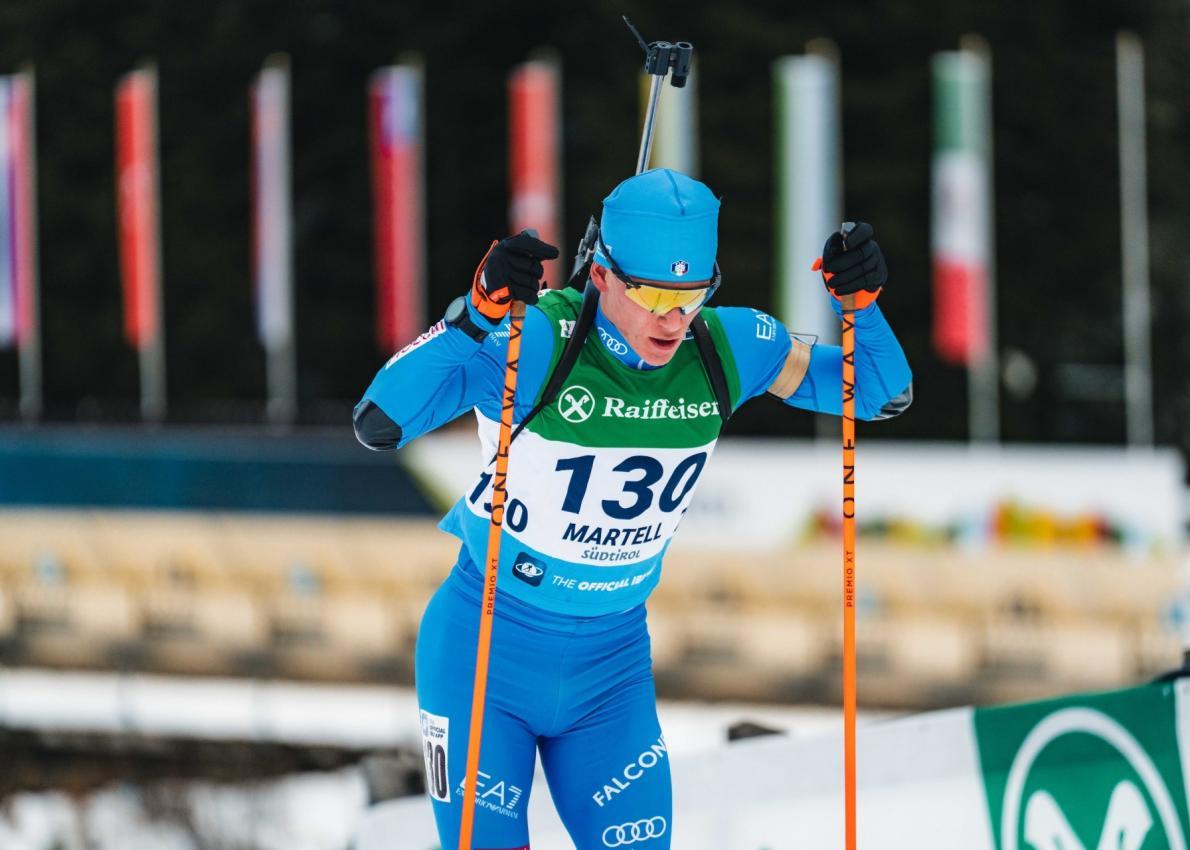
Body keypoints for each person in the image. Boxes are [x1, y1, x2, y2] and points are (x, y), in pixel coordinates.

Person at [353, 168, 912, 850]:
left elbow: (878, 392)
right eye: (649, 293)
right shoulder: (539, 346)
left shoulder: (723, 347)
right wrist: (473, 315)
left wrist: (863, 305)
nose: (671, 319)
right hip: (485, 654)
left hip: (610, 671)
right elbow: (381, 421)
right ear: (600, 274)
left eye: (691, 294)